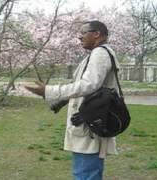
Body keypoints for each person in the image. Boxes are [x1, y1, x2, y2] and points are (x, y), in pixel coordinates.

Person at [24, 20, 120, 180]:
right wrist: (62, 101)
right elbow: (88, 87)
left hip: (90, 126)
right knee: (87, 172)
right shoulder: (97, 54)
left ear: (96, 34)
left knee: (85, 174)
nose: (79, 37)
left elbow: (89, 85)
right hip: (90, 122)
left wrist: (48, 91)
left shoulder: (100, 53)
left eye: (83, 33)